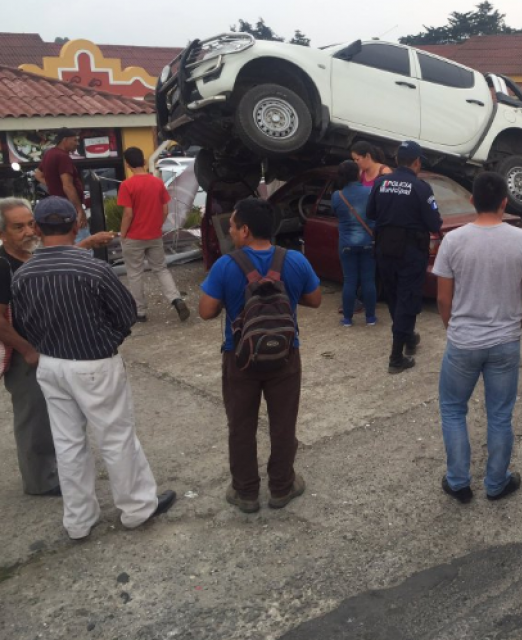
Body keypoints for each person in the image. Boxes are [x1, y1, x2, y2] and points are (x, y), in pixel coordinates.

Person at [10, 197, 175, 540]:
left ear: (38, 229)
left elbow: (23, 324)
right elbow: (126, 314)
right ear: (75, 226)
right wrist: (105, 339)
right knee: (116, 438)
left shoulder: (24, 275)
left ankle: (79, 521)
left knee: (68, 443)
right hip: (94, 363)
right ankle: (136, 508)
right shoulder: (93, 269)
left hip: (51, 365)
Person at [198, 198, 322, 513]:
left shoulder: (226, 265)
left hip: (239, 359)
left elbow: (206, 312)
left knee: (241, 426)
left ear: (246, 230)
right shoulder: (294, 260)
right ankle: (281, 487)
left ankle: (246, 492)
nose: (230, 232)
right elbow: (315, 299)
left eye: (232, 227)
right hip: (285, 357)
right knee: (283, 425)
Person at [433, 172, 522, 502]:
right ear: (504, 202)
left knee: (453, 410)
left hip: (463, 341)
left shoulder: (453, 241)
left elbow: (442, 298)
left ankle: (458, 483)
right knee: (500, 414)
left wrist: (453, 327)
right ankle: (496, 483)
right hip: (505, 342)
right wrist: (515, 325)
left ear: (471, 201)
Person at [1, 198, 116, 497]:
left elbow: (57, 261)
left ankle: (59, 474)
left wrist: (87, 242)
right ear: (2, 233)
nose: (28, 232)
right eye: (18, 227)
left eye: (30, 224)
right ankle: (40, 482)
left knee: (58, 420)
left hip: (49, 352)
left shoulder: (29, 257)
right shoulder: (3, 266)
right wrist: (26, 350)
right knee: (33, 418)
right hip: (26, 356)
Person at [367, 141, 443, 373]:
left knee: (394, 297)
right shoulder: (421, 188)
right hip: (410, 252)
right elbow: (434, 223)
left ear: (397, 160)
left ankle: (408, 337)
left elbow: (370, 213)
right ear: (417, 161)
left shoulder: (380, 183)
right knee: (408, 299)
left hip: (384, 249)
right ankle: (396, 357)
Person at [117, 147, 190, 323]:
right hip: (154, 234)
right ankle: (176, 299)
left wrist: (123, 234)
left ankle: (140, 312)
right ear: (143, 161)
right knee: (161, 269)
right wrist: (157, 225)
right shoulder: (157, 183)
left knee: (135, 273)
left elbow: (128, 214)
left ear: (127, 164)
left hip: (134, 237)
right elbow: (165, 209)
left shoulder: (127, 185)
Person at [331, 160, 377, 327]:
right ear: (357, 174)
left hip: (346, 243)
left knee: (349, 281)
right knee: (368, 281)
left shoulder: (337, 195)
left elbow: (335, 213)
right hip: (368, 242)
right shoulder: (370, 191)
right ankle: (370, 318)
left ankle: (348, 319)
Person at [35, 128, 89, 242]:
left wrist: (53, 185)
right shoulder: (62, 156)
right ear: (65, 140)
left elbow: (38, 175)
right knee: (83, 243)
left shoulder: (49, 154)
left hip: (58, 206)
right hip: (69, 207)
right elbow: (68, 186)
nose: (77, 144)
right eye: (75, 140)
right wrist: (80, 210)